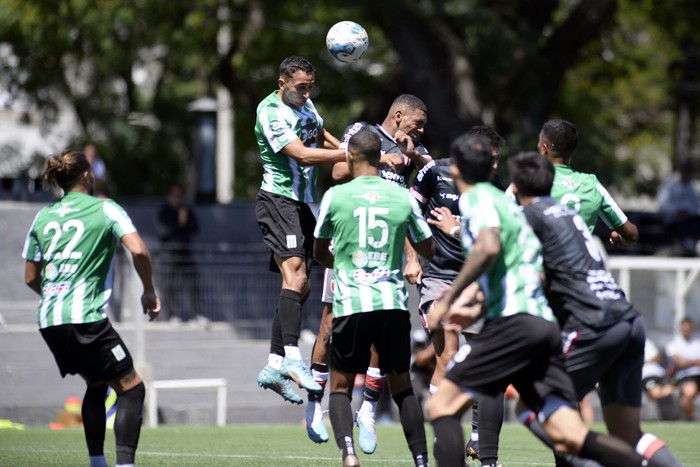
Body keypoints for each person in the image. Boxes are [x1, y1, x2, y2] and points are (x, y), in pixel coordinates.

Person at [425, 134, 656, 467]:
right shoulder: (509, 204)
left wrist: (449, 301)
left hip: (514, 324)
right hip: (545, 324)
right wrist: (477, 301)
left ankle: (487, 456)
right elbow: (524, 263)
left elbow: (489, 248)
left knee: (441, 407)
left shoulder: (476, 199)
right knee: (568, 432)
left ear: (456, 169)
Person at [508, 151, 683, 466]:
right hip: (628, 319)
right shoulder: (571, 216)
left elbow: (526, 270)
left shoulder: (530, 216)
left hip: (594, 325)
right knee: (629, 434)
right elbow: (625, 234)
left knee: (529, 405)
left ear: (517, 188)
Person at [305, 94, 433, 448]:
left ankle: (369, 410)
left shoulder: (414, 148)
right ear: (398, 114)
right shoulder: (362, 132)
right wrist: (381, 162)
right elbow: (338, 170)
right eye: (417, 122)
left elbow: (432, 181)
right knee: (329, 323)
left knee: (382, 327)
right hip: (351, 242)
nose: (421, 129)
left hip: (386, 246)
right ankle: (315, 403)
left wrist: (415, 156)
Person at [22, 150, 160, 467]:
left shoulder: (42, 216)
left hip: (49, 320)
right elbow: (139, 250)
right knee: (132, 390)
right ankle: (125, 465)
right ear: (87, 175)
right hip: (85, 318)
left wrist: (57, 295)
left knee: (96, 384)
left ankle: (96, 462)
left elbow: (30, 276)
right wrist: (149, 290)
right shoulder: (106, 208)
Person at [410, 125, 506, 467]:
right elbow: (410, 213)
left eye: (497, 160)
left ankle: (479, 437)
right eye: (489, 159)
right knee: (447, 356)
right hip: (437, 275)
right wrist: (411, 258)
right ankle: (445, 436)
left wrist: (455, 229)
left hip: (475, 282)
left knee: (482, 361)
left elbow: (490, 244)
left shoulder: (492, 189)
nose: (494, 166)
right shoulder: (434, 171)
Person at [253, 55, 347, 405]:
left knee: (300, 288)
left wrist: (348, 150)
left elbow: (318, 133)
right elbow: (302, 154)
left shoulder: (306, 105)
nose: (307, 94)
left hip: (302, 203)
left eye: (310, 86)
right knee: (296, 279)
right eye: (300, 87)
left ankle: (274, 365)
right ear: (282, 83)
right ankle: (292, 357)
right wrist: (351, 157)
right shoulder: (271, 112)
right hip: (278, 199)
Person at [532, 119, 638, 248]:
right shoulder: (592, 184)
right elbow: (631, 234)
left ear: (544, 149)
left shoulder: (528, 180)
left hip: (542, 265)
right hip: (579, 265)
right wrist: (621, 238)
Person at [156, 184, 201, 324]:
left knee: (193, 284)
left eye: (179, 196)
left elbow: (195, 228)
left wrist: (185, 221)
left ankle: (196, 314)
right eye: (175, 196)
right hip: (169, 254)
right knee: (169, 285)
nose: (177, 199)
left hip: (185, 252)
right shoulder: (164, 212)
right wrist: (179, 223)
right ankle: (173, 315)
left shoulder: (186, 210)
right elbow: (163, 232)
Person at [658, 158, 700, 256]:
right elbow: (663, 205)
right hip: (673, 221)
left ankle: (692, 247)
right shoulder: (670, 185)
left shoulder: (690, 186)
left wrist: (688, 212)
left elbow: (694, 205)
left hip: (689, 219)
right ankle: (688, 248)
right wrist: (677, 211)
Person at [666, 317, 700, 420]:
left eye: (688, 327)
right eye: (684, 327)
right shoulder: (673, 344)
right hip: (684, 376)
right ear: (680, 328)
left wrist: (688, 362)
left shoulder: (697, 343)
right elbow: (680, 363)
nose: (686, 329)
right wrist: (695, 361)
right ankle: (689, 418)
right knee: (689, 393)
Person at [642, 339, 677, 419]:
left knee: (674, 382)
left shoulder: (647, 342)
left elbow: (658, 358)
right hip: (646, 376)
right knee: (656, 394)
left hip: (660, 374)